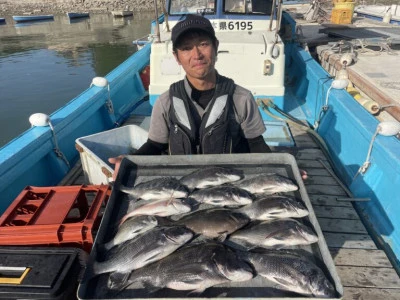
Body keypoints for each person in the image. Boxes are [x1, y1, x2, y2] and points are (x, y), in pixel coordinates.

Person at [109, 14, 289, 179]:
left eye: (203, 44)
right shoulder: (165, 102)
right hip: (182, 186)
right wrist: (128, 161)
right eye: (186, 48)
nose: (197, 55)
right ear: (177, 57)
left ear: (215, 47)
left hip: (228, 184)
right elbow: (155, 146)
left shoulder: (241, 98)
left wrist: (283, 171)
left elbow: (256, 144)